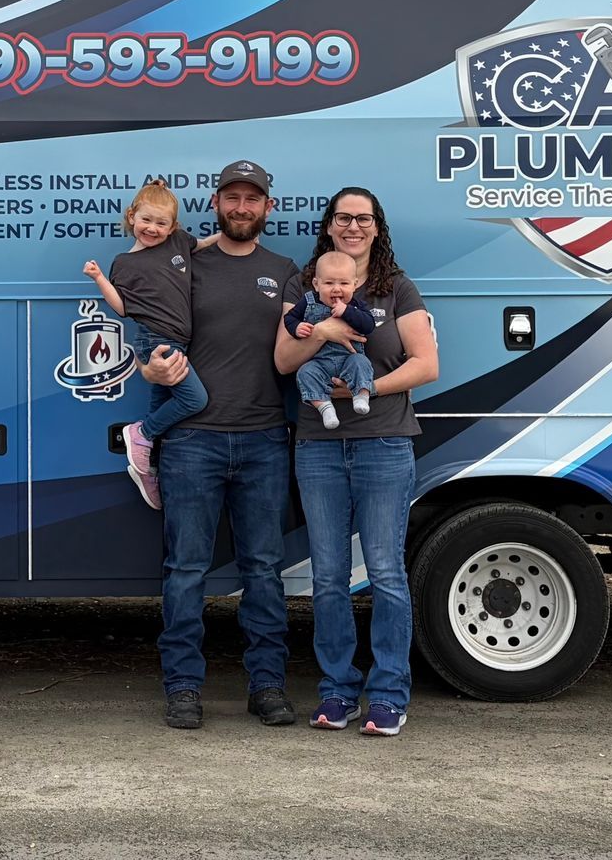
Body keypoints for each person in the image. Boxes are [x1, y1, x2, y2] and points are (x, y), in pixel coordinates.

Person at [139, 160, 299, 731]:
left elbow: (295, 348)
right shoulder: (185, 265)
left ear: (266, 209)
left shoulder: (286, 272)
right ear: (217, 204)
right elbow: (150, 329)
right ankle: (183, 688)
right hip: (191, 442)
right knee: (185, 568)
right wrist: (147, 369)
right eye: (232, 197)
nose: (241, 207)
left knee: (263, 569)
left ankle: (268, 686)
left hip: (263, 440)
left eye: (251, 199)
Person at [274, 186, 438, 738]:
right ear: (329, 225)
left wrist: (357, 393)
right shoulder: (304, 286)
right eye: (344, 217)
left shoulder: (396, 288)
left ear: (377, 227)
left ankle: (389, 694)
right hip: (318, 448)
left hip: (384, 443)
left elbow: (426, 365)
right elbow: (283, 359)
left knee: (387, 573)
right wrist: (320, 330)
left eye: (363, 218)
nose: (353, 226)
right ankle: (338, 691)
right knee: (327, 577)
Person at [82, 181, 220, 507]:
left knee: (161, 410)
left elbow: (200, 244)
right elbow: (122, 308)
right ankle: (141, 434)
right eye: (146, 220)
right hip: (156, 341)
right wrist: (99, 278)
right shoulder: (125, 263)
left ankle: (149, 467)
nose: (153, 229)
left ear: (173, 227)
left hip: (179, 341)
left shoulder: (178, 243)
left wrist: (225, 238)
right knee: (195, 400)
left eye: (161, 223)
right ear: (132, 217)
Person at [282, 250, 377, 430]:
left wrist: (347, 312)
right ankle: (325, 407)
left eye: (343, 283)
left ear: (354, 285)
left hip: (349, 359)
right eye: (329, 283)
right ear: (316, 284)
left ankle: (361, 396)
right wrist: (296, 328)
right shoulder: (307, 301)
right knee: (305, 372)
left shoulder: (356, 305)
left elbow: (369, 325)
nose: (336, 288)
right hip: (319, 362)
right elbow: (290, 318)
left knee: (362, 362)